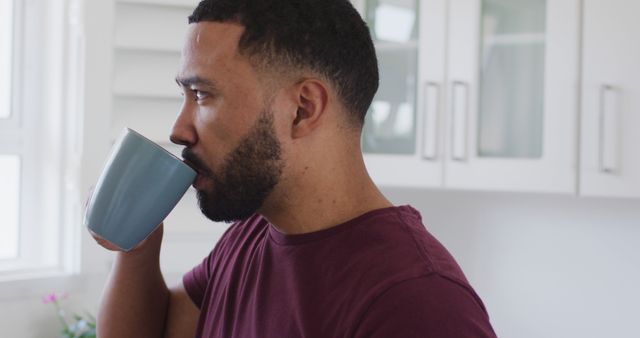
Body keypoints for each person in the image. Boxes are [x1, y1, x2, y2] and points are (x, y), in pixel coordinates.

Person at [92, 0, 498, 337]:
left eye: (202, 95)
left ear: (302, 109)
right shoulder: (250, 238)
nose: (179, 130)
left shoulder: (416, 304)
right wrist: (137, 246)